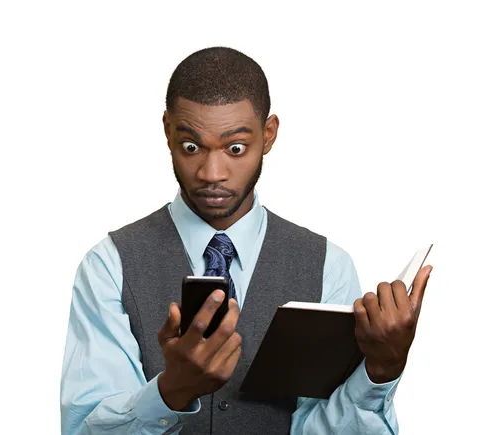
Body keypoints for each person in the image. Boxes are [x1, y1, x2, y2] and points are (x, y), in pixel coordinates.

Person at [60, 46, 432, 435]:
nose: (212, 172)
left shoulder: (327, 266)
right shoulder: (109, 265)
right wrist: (172, 391)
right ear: (168, 131)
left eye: (235, 148)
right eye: (191, 147)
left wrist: (380, 372)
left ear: (268, 135)